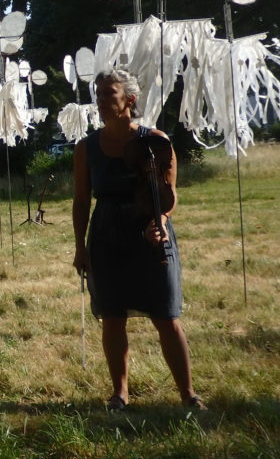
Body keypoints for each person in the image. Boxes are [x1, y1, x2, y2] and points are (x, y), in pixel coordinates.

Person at [72, 69, 205, 412]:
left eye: (108, 94)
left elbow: (169, 194)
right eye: (98, 94)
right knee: (112, 315)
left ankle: (188, 394)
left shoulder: (156, 141)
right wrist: (80, 247)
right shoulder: (86, 148)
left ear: (129, 99)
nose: (101, 101)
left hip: (151, 234)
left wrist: (159, 222)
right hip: (106, 233)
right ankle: (120, 393)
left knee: (166, 315)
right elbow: (81, 201)